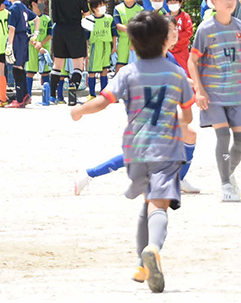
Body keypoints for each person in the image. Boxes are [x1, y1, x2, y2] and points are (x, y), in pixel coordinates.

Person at [70, 10, 196, 293]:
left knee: (147, 201)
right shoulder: (176, 73)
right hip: (166, 149)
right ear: (166, 41)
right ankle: (152, 248)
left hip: (135, 148)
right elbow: (187, 119)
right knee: (159, 204)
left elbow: (103, 101)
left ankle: (142, 263)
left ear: (133, 44)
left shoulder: (128, 72)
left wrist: (79, 110)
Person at [75, 16, 200, 196]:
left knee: (189, 135)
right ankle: (88, 174)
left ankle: (178, 180)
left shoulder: (168, 56)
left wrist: (196, 84)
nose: (176, 33)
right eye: (172, 29)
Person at [189, 0, 241, 202]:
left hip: (236, 94)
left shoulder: (240, 27)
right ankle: (225, 183)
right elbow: (192, 61)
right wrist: (199, 90)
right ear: (212, 1)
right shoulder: (205, 29)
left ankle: (229, 172)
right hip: (213, 95)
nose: (229, 1)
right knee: (223, 135)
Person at [50, 0, 90, 106]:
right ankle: (72, 96)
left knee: (57, 63)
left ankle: (52, 96)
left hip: (59, 28)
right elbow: (86, 12)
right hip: (74, 28)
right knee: (78, 63)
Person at [4, 0, 36, 108]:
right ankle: (25, 95)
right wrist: (36, 32)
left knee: (17, 68)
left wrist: (9, 45)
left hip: (17, 38)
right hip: (24, 38)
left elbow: (12, 29)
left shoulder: (13, 8)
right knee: (21, 66)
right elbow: (36, 18)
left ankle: (19, 99)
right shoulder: (23, 6)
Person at [84, 0, 118, 100]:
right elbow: (86, 37)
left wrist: (114, 47)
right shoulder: (89, 19)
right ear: (94, 8)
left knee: (105, 69)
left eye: (103, 4)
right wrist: (87, 50)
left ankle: (104, 93)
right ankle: (92, 94)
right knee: (92, 71)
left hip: (106, 46)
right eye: (100, 5)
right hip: (95, 46)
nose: (103, 7)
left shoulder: (109, 18)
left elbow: (114, 33)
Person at [24, 0, 53, 107]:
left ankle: (48, 97)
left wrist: (41, 44)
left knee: (45, 73)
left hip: (44, 50)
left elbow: (50, 34)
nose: (43, 4)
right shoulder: (27, 18)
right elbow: (26, 33)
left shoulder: (47, 19)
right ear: (34, 4)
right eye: (41, 1)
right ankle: (28, 96)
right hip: (31, 50)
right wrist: (35, 43)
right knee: (30, 72)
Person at [113, 0, 143, 70]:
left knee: (136, 67)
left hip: (136, 41)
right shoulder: (118, 8)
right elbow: (117, 24)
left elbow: (141, 27)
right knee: (120, 65)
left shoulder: (140, 9)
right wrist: (132, 30)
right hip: (122, 42)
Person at [166, 0, 193, 74]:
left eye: (175, 2)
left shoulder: (185, 16)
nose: (173, 4)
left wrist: (176, 40)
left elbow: (189, 32)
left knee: (185, 72)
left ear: (180, 3)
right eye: (171, 2)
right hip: (169, 51)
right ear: (167, 3)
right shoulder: (166, 17)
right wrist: (169, 44)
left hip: (182, 50)